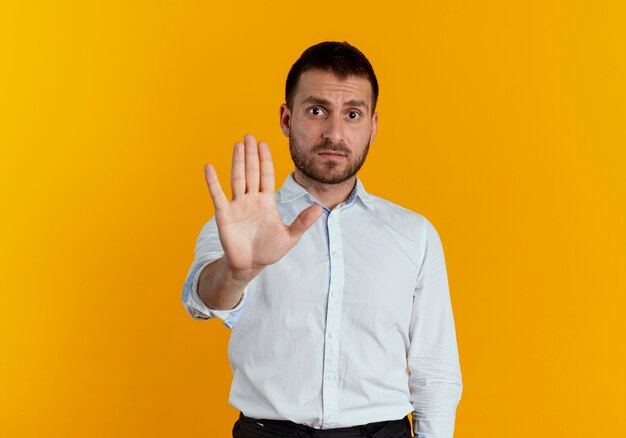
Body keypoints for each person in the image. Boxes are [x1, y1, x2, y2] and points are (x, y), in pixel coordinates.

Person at [182, 41, 462, 438]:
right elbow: (201, 300)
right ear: (286, 118)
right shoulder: (240, 221)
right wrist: (238, 271)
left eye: (352, 114)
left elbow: (435, 371)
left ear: (373, 126)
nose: (334, 133)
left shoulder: (414, 235)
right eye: (316, 111)